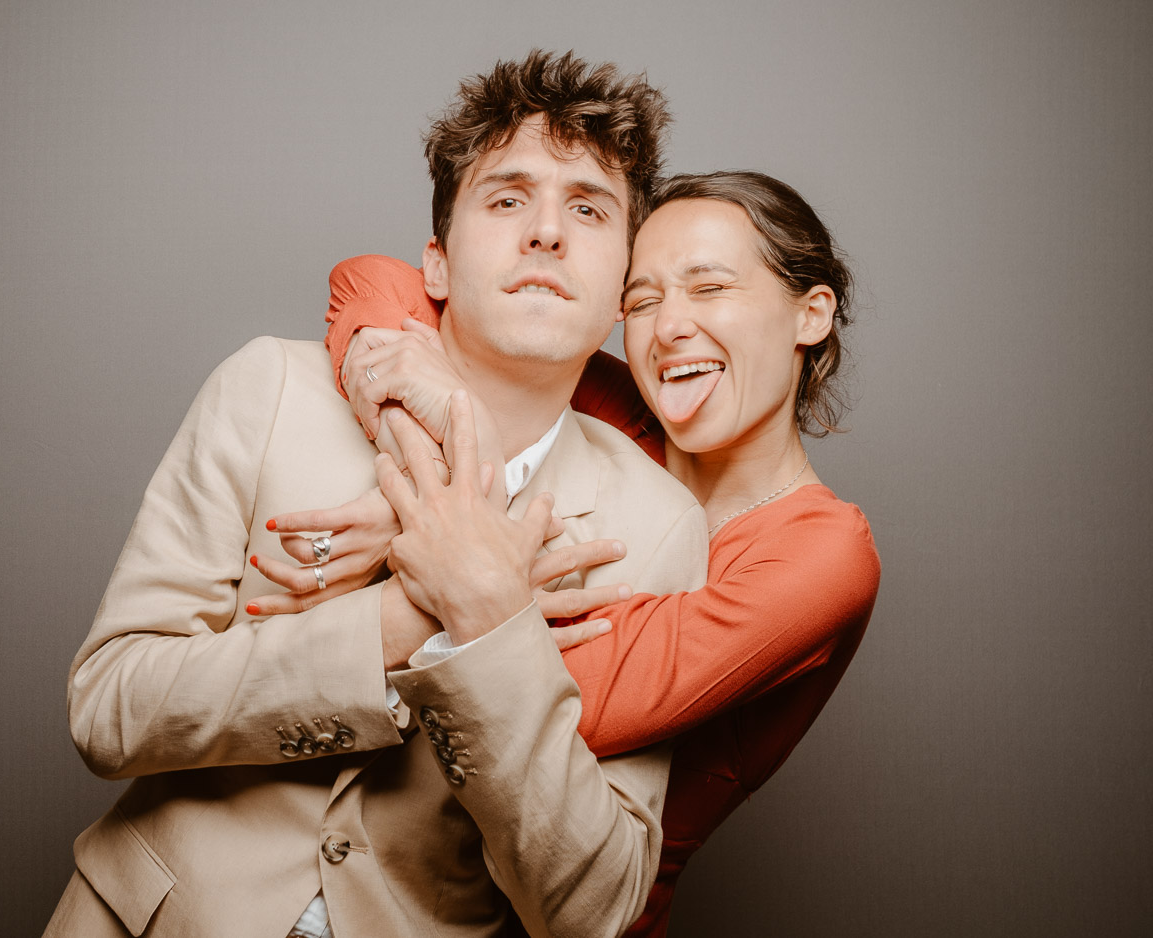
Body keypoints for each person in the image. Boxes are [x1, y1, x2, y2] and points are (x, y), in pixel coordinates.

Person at [44, 51, 711, 938]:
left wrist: (490, 620)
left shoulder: (658, 527)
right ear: (434, 262)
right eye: (507, 198)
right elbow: (109, 709)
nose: (546, 231)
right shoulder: (269, 389)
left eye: (588, 209)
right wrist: (400, 624)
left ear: (624, 285)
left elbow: (593, 908)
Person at [255, 171, 881, 936]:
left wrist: (425, 536)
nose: (669, 326)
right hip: (410, 889)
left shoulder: (824, 552)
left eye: (709, 288)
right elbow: (376, 279)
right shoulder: (620, 417)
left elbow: (559, 701)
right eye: (643, 300)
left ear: (811, 313)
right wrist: (418, 436)